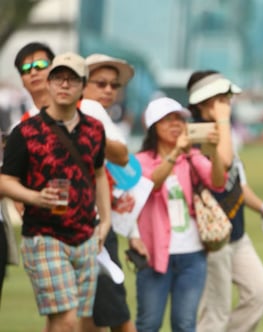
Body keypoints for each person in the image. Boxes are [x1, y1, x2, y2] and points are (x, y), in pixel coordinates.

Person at [0, 52, 112, 331]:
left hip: (86, 235)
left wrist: (106, 221)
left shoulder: (95, 130)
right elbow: (5, 181)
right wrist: (35, 197)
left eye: (72, 80)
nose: (64, 85)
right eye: (58, 78)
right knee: (68, 320)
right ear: (49, 84)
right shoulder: (25, 132)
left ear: (83, 87)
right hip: (44, 235)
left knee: (72, 323)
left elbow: (98, 174)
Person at [187, 70, 263, 332]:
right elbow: (224, 163)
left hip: (237, 234)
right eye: (221, 99)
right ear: (202, 103)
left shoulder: (223, 132)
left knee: (260, 293)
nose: (227, 104)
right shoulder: (194, 136)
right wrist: (223, 122)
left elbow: (237, 183)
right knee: (215, 313)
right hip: (211, 239)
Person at [128, 97, 226, 332]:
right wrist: (174, 155)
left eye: (179, 120)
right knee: (149, 323)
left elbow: (218, 182)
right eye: (168, 120)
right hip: (154, 254)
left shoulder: (191, 157)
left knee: (185, 324)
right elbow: (152, 184)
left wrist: (214, 150)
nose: (176, 125)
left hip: (192, 254)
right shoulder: (141, 161)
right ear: (153, 127)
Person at [81, 53, 137, 332]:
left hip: (84, 222)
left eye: (114, 86)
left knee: (86, 315)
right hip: (94, 226)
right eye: (100, 83)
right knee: (118, 316)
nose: (108, 90)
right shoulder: (90, 108)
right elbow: (123, 155)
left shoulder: (86, 111)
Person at [12, 42, 55, 123]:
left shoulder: (82, 110)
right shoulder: (21, 128)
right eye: (26, 69)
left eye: (40, 64)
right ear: (22, 80)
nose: (33, 73)